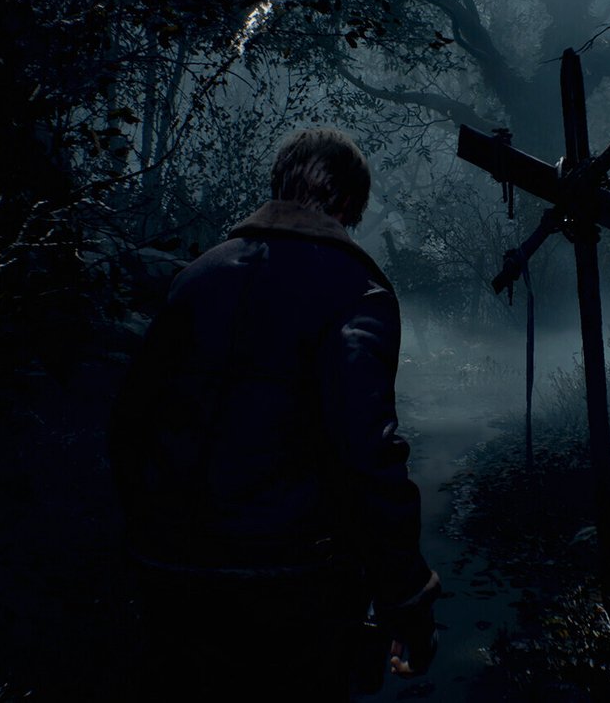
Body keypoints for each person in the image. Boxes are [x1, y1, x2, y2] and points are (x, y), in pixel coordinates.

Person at [110, 127, 438, 699]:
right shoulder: (356, 292)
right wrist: (407, 599)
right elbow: (367, 455)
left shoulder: (196, 278)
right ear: (348, 205)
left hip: (167, 571)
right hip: (290, 585)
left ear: (279, 185)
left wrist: (148, 540)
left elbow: (129, 425)